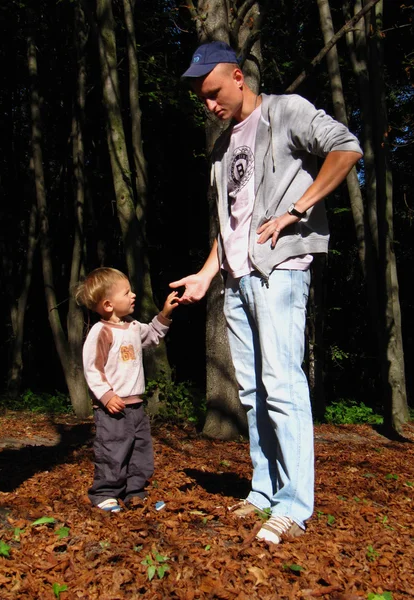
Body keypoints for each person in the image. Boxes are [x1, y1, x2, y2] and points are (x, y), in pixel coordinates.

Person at [170, 41, 363, 544]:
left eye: (213, 93)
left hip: (280, 270)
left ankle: (295, 505)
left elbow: (346, 147)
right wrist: (207, 273)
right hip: (236, 278)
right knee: (253, 394)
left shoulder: (286, 111)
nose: (209, 105)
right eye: (201, 100)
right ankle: (264, 490)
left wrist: (297, 209)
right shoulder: (221, 148)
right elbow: (229, 222)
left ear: (237, 76)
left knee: (282, 385)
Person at [75, 267, 178, 512]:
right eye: (127, 292)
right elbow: (92, 367)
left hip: (136, 406)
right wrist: (107, 395)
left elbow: (152, 335)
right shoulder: (101, 332)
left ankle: (135, 491)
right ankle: (105, 492)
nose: (133, 295)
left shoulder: (132, 326)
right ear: (109, 305)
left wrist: (165, 312)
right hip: (112, 408)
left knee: (139, 449)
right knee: (112, 449)